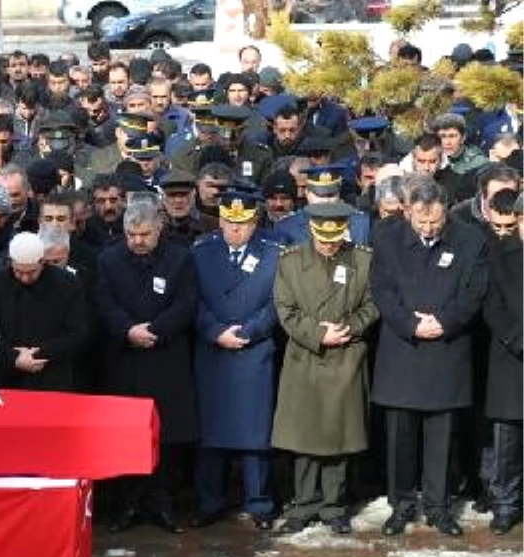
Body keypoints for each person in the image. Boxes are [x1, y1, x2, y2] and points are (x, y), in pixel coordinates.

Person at [371, 177, 488, 536]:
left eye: (435, 222)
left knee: (443, 438)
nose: (428, 228)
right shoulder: (387, 239)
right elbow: (381, 289)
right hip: (402, 352)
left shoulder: (470, 240)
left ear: (445, 213)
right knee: (400, 438)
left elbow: (474, 291)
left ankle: (439, 508)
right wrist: (410, 324)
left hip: (446, 351)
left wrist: (445, 322)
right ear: (407, 212)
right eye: (421, 222)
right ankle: (401, 506)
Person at [272, 202, 380, 534]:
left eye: (334, 238)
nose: (329, 244)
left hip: (346, 357)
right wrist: (319, 333)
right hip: (306, 357)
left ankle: (334, 505)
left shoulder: (363, 260)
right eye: (322, 238)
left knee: (338, 437)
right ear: (311, 231)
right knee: (304, 436)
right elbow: (285, 308)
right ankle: (304, 503)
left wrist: (349, 328)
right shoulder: (290, 262)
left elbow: (373, 303)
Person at [96, 199, 198, 531]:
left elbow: (186, 303)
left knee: (166, 435)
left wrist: (155, 331)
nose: (138, 241)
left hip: (166, 359)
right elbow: (104, 302)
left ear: (159, 230)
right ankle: (130, 503)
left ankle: (162, 501)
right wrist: (128, 330)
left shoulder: (180, 258)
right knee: (128, 435)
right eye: (131, 234)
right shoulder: (109, 259)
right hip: (125, 361)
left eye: (144, 234)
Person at [192, 189, 281, 529]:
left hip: (253, 352)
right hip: (213, 352)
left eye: (242, 223)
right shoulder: (201, 252)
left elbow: (277, 302)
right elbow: (192, 300)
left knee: (255, 433)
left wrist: (251, 331)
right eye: (229, 222)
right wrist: (215, 332)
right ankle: (210, 501)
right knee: (211, 432)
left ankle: (259, 503)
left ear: (254, 221)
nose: (235, 229)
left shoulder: (274, 253)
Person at [0, 230, 88, 392]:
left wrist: (39, 353)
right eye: (19, 272)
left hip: (52, 376)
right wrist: (13, 357)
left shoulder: (68, 285)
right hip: (6, 377)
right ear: (11, 262)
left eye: (31, 272)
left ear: (42, 262)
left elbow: (77, 333)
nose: (25, 278)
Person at [482, 213, 524, 534]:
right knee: (507, 437)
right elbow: (491, 303)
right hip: (512, 355)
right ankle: (505, 504)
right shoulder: (498, 253)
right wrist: (517, 338)